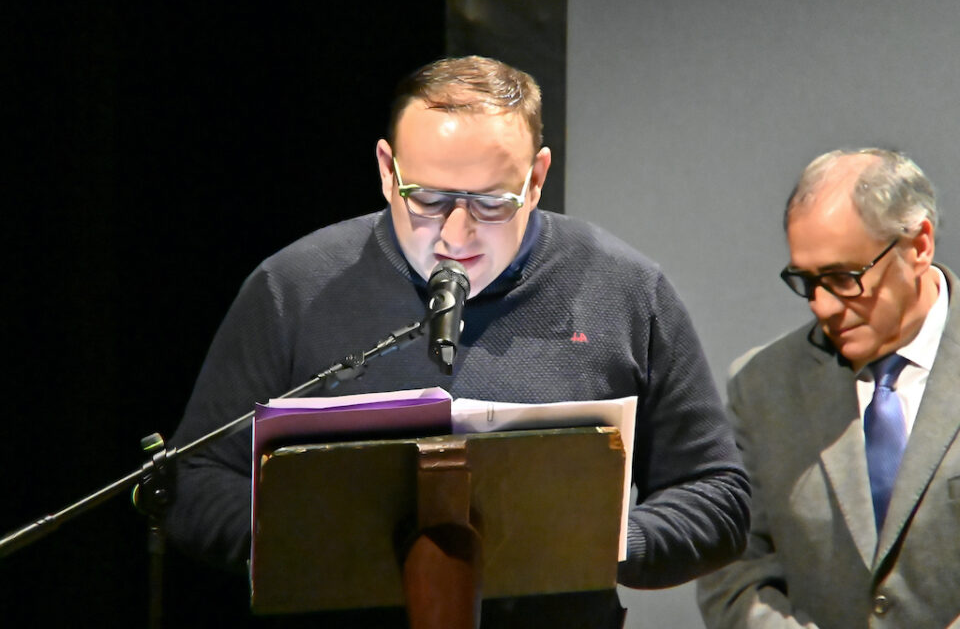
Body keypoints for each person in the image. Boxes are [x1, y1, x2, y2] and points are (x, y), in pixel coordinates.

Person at [166, 55, 749, 627]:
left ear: (536, 179)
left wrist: (597, 540)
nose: (456, 234)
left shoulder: (626, 290)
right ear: (387, 170)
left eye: (492, 203)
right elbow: (193, 480)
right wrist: (321, 544)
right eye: (428, 199)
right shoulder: (293, 288)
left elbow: (717, 494)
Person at [697, 148, 960, 628]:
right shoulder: (761, 386)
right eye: (807, 280)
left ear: (919, 246)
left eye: (843, 277)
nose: (822, 306)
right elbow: (733, 574)